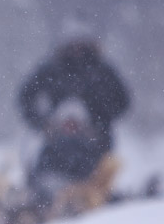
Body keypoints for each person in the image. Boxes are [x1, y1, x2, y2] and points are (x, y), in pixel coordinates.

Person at [17, 25, 130, 206]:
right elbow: (25, 97)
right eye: (73, 44)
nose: (77, 49)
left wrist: (100, 122)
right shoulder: (52, 69)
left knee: (95, 180)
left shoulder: (102, 70)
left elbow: (123, 101)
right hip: (56, 142)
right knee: (45, 180)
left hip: (95, 144)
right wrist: (43, 123)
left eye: (81, 44)